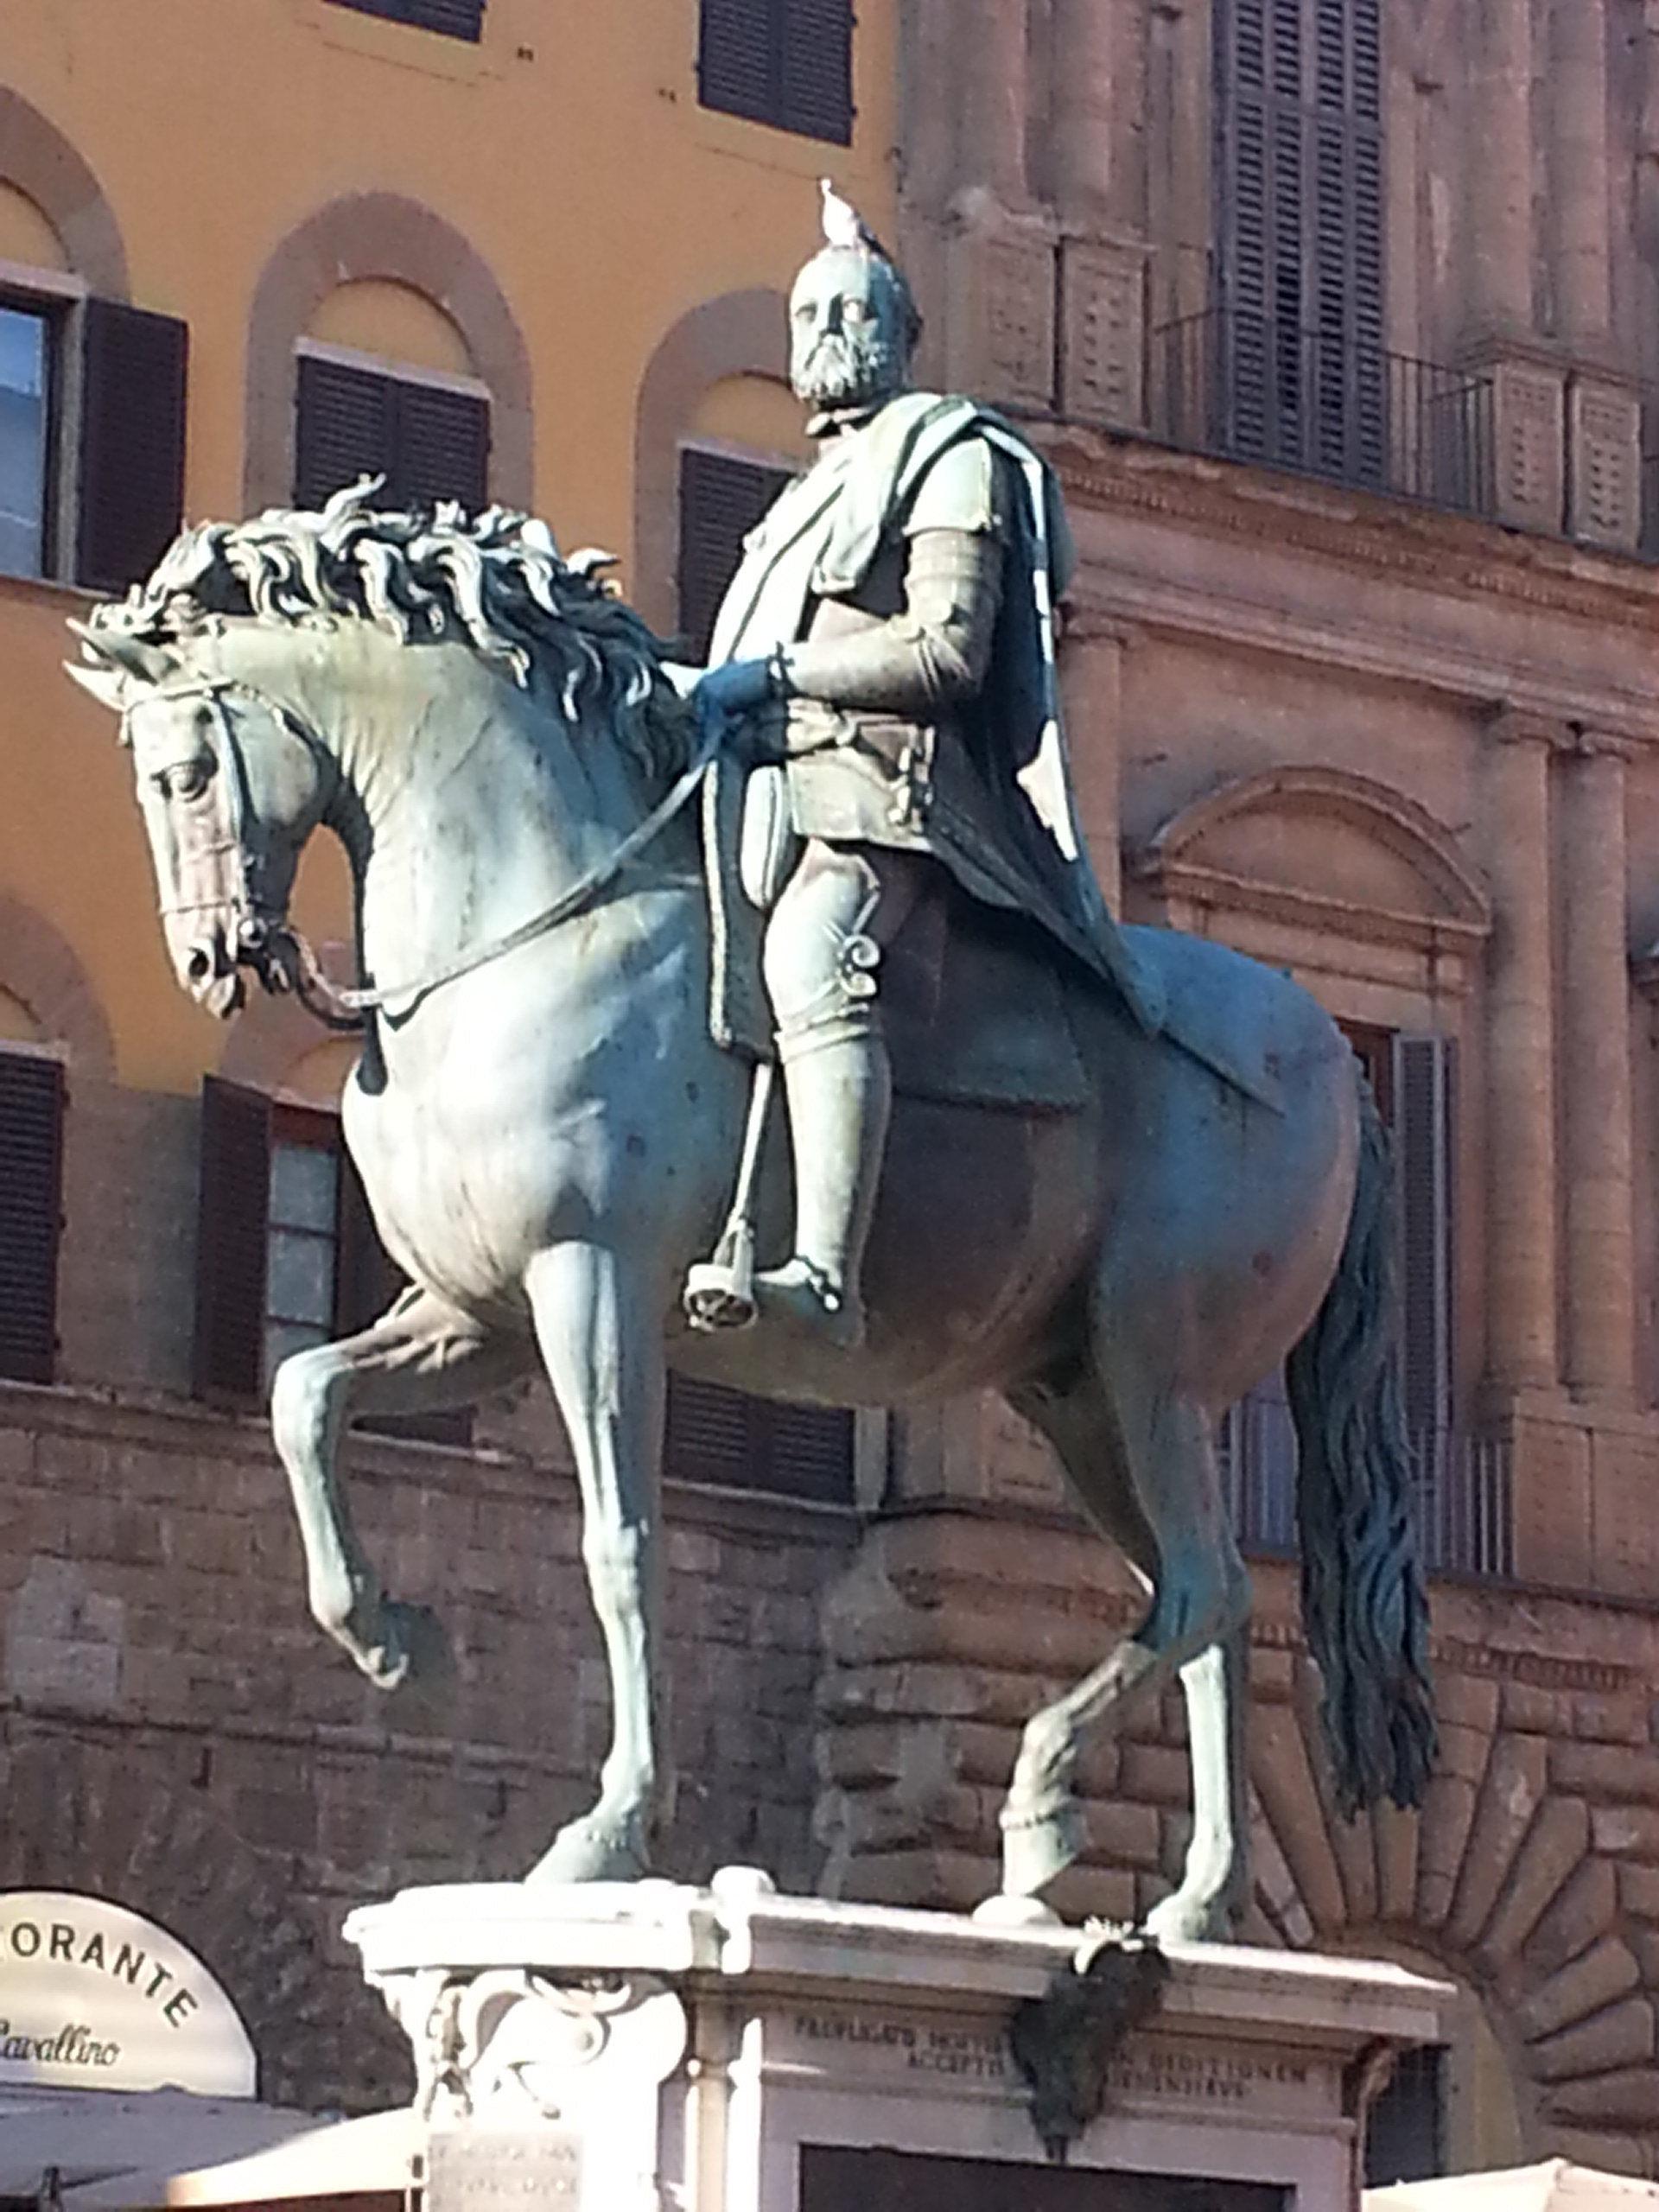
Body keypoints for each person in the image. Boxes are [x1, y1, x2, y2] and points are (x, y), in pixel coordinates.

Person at [688, 191, 1156, 1350]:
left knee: (812, 955)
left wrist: (783, 676)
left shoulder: (957, 457)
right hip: (768, 785)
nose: (827, 332)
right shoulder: (798, 503)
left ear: (901, 335)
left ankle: (826, 1275)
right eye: (810, 313)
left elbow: (950, 648)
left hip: (891, 795)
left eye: (852, 310)